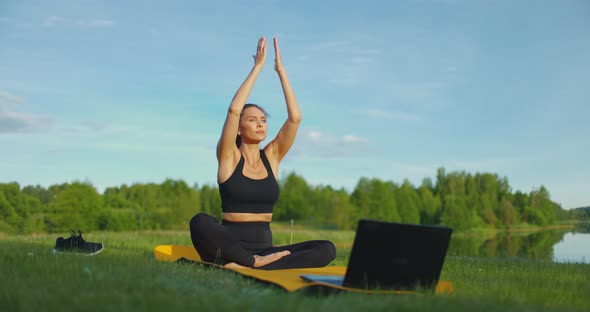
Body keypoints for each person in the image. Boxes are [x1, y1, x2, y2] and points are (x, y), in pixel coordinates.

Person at [189, 36, 336, 270]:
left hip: (266, 250)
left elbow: (295, 118)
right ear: (239, 127)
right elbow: (234, 110)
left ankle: (243, 264)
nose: (260, 124)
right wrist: (257, 67)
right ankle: (247, 262)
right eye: (253, 120)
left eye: (264, 120)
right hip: (230, 243)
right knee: (199, 222)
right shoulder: (229, 156)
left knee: (326, 248)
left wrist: (280, 71)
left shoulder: (272, 157)